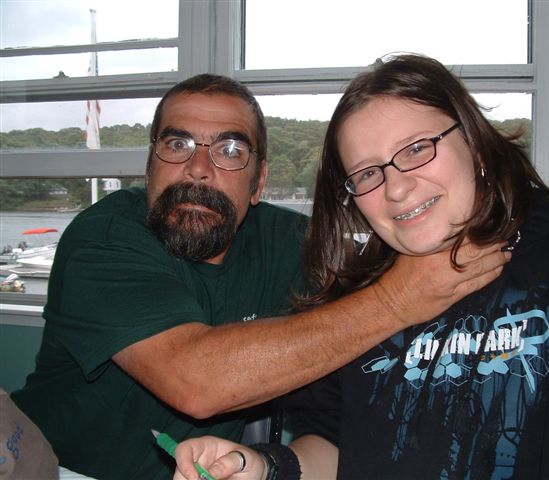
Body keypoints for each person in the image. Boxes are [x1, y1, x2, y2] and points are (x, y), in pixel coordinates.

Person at [9, 73, 509, 480]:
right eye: (177, 143)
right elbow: (196, 383)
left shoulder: (292, 242)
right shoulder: (103, 239)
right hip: (55, 468)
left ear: (258, 182)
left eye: (230, 150)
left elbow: (392, 259)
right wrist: (399, 299)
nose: (198, 168)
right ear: (150, 166)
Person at [172, 55, 549, 480]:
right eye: (367, 173)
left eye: (417, 149)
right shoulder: (351, 299)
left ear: (475, 144)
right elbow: (330, 444)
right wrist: (263, 468)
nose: (395, 189)